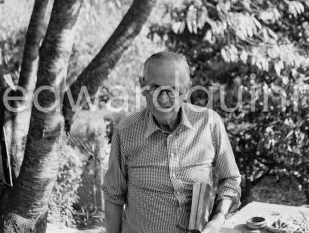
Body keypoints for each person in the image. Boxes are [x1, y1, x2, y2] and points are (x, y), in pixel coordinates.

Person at [102, 51, 241, 233]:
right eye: (155, 87)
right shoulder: (125, 131)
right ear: (142, 86)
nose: (163, 99)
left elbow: (230, 180)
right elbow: (113, 196)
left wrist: (217, 220)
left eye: (173, 89)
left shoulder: (209, 123)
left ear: (187, 90)